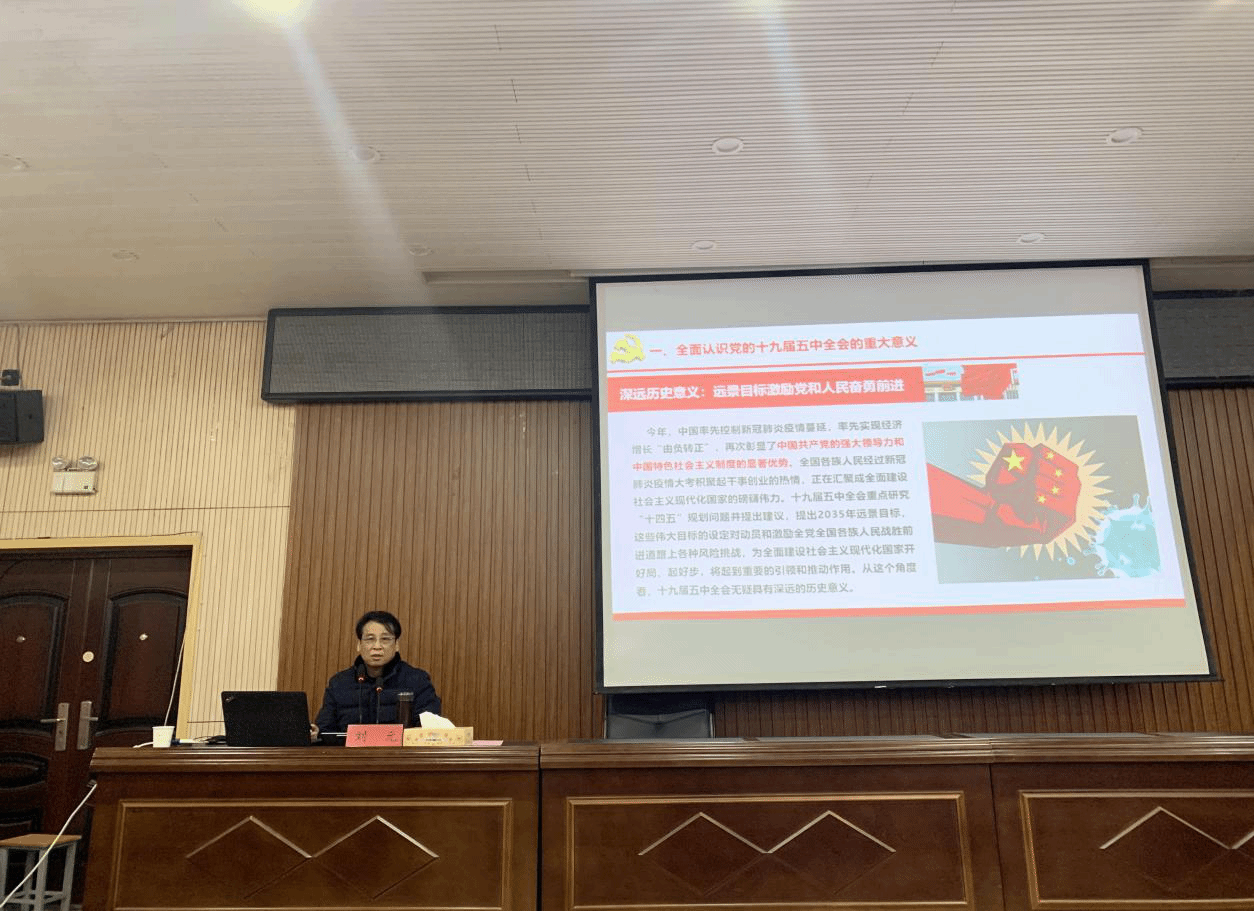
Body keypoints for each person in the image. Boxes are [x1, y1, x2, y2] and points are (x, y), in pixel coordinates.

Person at [311, 610, 441, 737]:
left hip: (399, 752)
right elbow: (324, 731)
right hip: (349, 752)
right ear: (359, 645)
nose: (377, 646)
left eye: (385, 639)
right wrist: (316, 733)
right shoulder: (339, 683)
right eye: (370, 639)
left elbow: (428, 729)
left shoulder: (417, 681)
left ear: (396, 645)